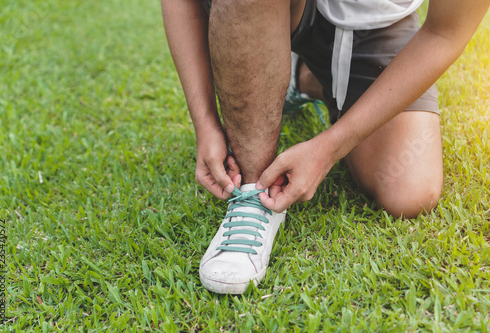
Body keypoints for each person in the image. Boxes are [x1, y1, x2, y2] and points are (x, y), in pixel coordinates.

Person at [161, 0, 490, 294]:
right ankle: (254, 191)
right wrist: (204, 122)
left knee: (409, 192)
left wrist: (329, 148)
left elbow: (446, 32)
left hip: (375, 23)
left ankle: (300, 77)